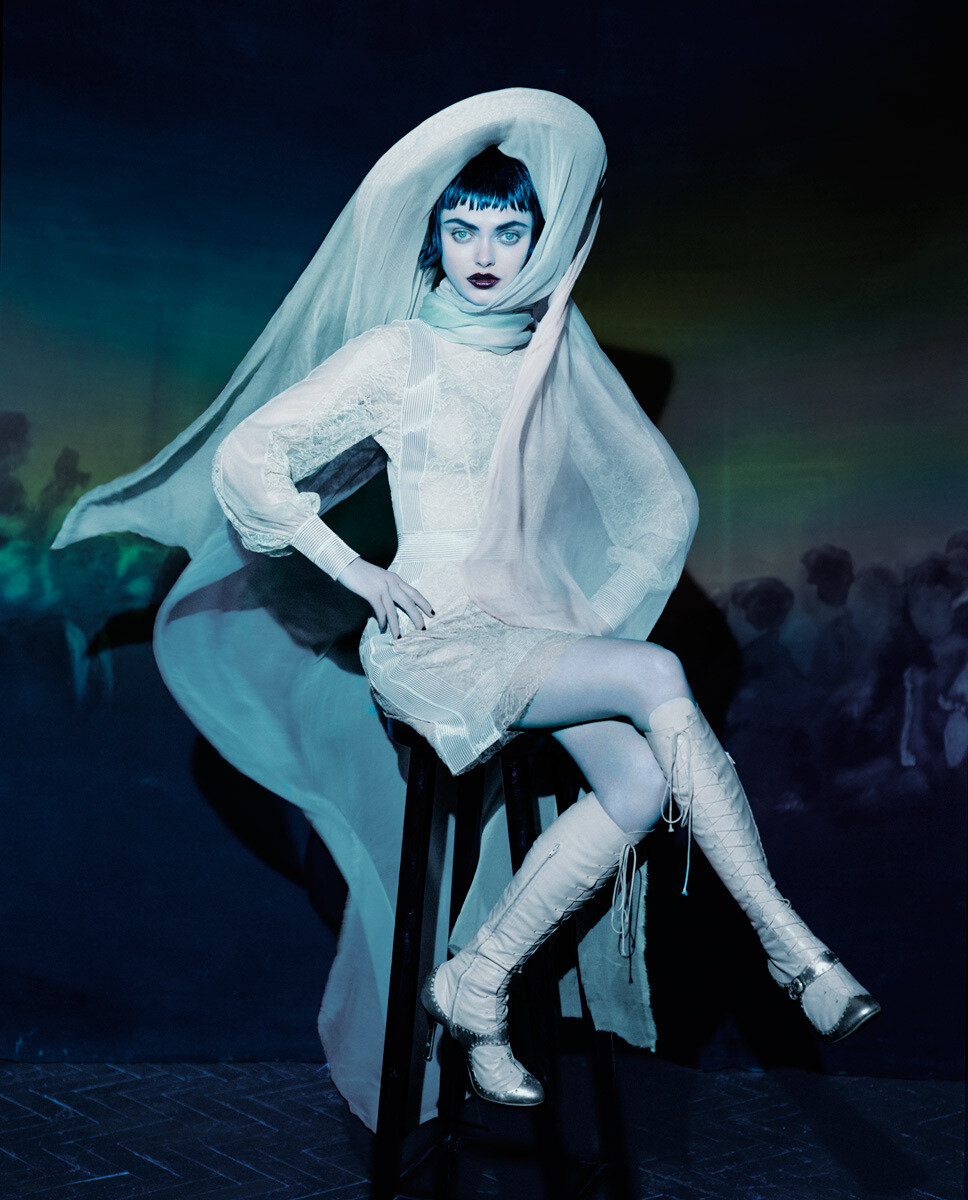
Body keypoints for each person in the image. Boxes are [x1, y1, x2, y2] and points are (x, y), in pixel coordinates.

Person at [54, 89, 879, 1121]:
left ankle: (477, 982)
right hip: (434, 640)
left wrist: (585, 614)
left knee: (633, 784)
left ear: (541, 242)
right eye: (462, 228)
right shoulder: (401, 353)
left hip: (530, 631)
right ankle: (789, 949)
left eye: (507, 231)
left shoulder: (549, 353)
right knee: (657, 674)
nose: (483, 253)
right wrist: (354, 571)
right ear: (434, 237)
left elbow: (653, 503)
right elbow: (250, 458)